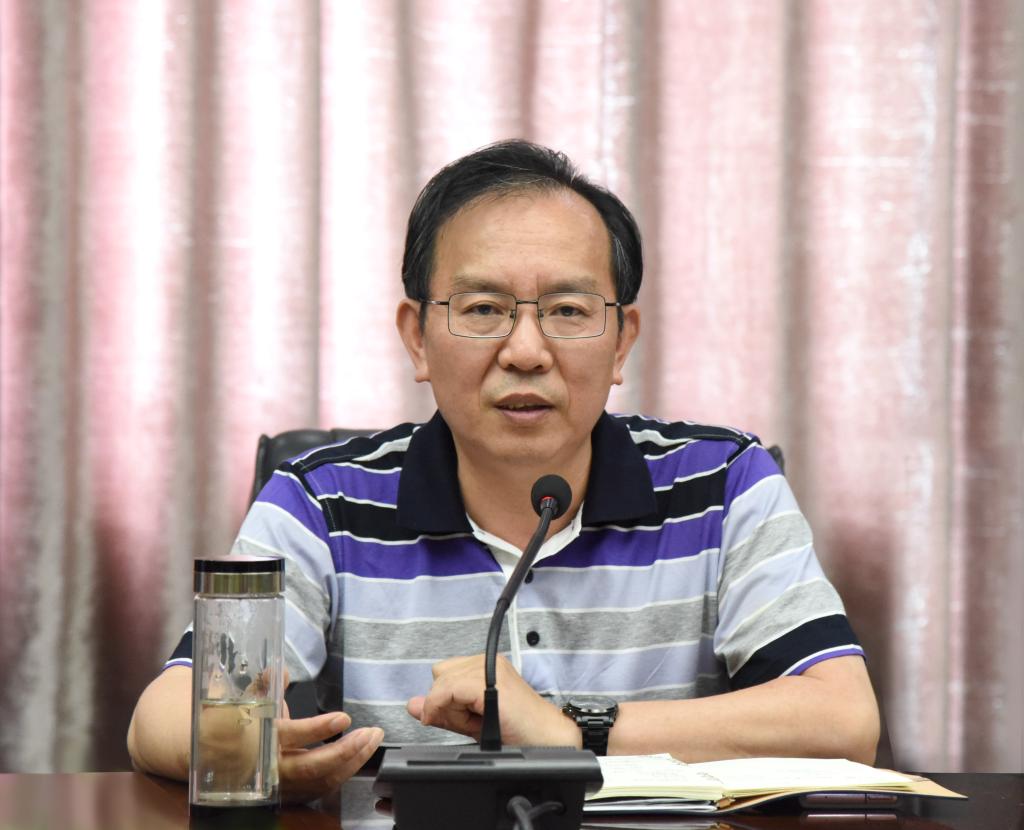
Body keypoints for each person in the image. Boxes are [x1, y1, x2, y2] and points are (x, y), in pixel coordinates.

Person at [128, 140, 880, 802]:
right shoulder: (322, 502)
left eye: (568, 310)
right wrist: (253, 755)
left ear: (621, 341)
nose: (525, 351)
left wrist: (573, 730)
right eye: (484, 309)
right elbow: (164, 716)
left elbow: (843, 720)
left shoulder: (723, 484)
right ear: (417, 338)